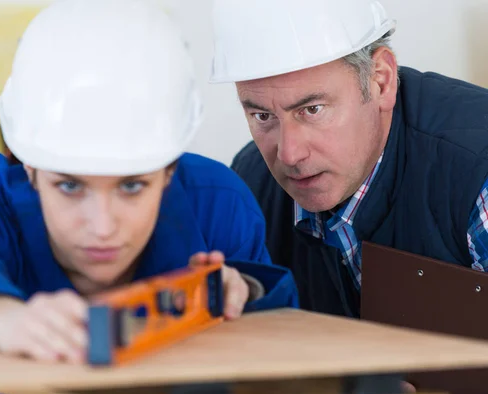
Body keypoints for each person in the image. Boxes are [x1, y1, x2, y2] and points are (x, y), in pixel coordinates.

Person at [0, 0, 299, 394]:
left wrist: (245, 292)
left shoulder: (216, 205)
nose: (102, 227)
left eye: (132, 186)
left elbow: (284, 348)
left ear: (169, 171)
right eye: (69, 186)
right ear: (29, 167)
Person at [209, 0, 488, 317]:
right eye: (262, 116)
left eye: (313, 110)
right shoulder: (248, 186)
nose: (289, 154)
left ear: (380, 81)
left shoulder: (477, 172)